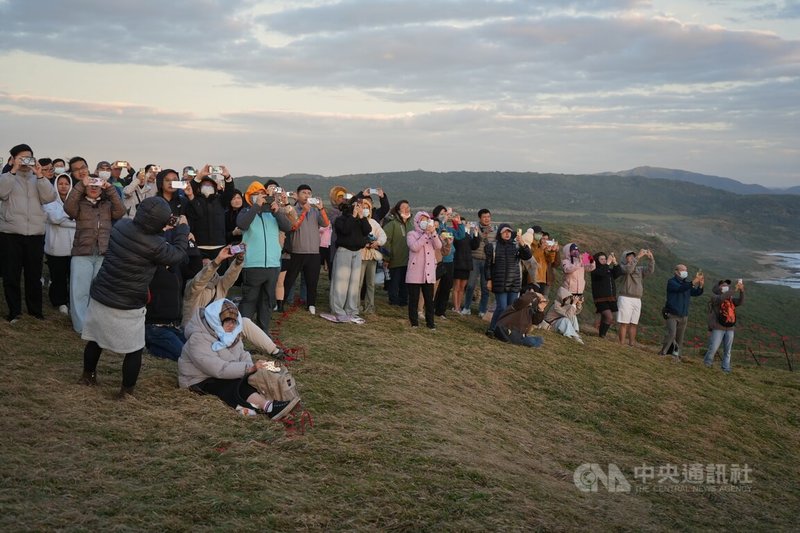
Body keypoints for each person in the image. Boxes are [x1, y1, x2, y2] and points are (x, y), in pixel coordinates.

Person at [78, 196, 189, 398]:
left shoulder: (122, 226)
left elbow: (145, 238)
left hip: (102, 293)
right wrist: (182, 229)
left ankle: (87, 375)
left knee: (95, 339)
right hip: (128, 303)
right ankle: (126, 391)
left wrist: (159, 229)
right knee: (134, 349)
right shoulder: (156, 245)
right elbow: (177, 254)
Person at [178, 299, 298, 420]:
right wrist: (248, 369)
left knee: (251, 378)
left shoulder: (231, 332)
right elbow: (217, 369)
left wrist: (252, 370)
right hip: (199, 379)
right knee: (233, 384)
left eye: (234, 322)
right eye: (227, 322)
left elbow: (242, 353)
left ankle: (271, 400)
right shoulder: (198, 339)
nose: (232, 326)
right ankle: (268, 407)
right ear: (215, 321)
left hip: (225, 371)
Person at [183, 244, 287, 360]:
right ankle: (233, 350)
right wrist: (216, 261)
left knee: (245, 322)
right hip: (199, 334)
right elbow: (200, 280)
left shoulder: (219, 285)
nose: (210, 268)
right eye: (205, 266)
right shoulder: (192, 288)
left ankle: (275, 351)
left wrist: (239, 260)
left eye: (210, 264)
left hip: (219, 331)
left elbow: (230, 277)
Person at [64, 169, 126, 333]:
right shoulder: (79, 204)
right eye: (90, 183)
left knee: (98, 292)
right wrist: (79, 185)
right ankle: (81, 326)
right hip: (82, 252)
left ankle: (95, 324)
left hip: (103, 253)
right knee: (79, 291)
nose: (93, 187)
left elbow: (121, 211)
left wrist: (110, 188)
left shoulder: (107, 205)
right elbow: (68, 209)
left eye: (97, 183)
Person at [0, 143, 57, 322]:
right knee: (11, 274)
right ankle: (14, 311)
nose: (26, 161)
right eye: (21, 157)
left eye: (29, 157)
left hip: (35, 233)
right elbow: (1, 193)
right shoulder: (7, 177)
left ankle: (35, 311)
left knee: (34, 275)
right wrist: (14, 169)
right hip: (11, 232)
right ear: (14, 158)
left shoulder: (38, 179)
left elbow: (49, 197)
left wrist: (40, 175)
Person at [237, 182, 293, 333]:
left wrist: (277, 211)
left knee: (267, 301)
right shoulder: (246, 212)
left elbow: (288, 227)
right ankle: (242, 332)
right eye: (256, 195)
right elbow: (242, 224)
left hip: (273, 265)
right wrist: (256, 207)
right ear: (249, 198)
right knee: (249, 300)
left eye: (262, 195)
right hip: (253, 265)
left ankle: (263, 332)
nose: (260, 198)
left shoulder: (272, 214)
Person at [283, 184, 329, 315]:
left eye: (309, 193)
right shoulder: (292, 210)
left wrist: (321, 209)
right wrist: (303, 211)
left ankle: (311, 304)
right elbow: (294, 226)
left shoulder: (315, 211)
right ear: (297, 195)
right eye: (304, 192)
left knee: (312, 281)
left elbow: (326, 223)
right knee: (290, 279)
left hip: (314, 252)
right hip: (297, 251)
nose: (307, 195)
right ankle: (281, 302)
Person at [328, 197, 372, 323]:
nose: (359, 208)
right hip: (344, 251)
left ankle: (352, 310)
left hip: (357, 252)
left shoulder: (361, 220)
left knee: (354, 283)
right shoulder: (341, 219)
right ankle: (338, 310)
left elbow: (367, 230)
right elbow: (345, 230)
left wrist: (362, 217)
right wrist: (353, 216)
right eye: (357, 206)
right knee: (341, 282)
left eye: (361, 206)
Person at [485, 224, 533, 336]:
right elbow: (487, 265)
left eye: (509, 232)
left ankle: (504, 330)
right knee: (501, 306)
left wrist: (522, 243)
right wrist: (489, 279)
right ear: (500, 233)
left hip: (514, 282)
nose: (507, 234)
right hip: (499, 281)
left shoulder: (516, 246)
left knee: (511, 308)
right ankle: (492, 328)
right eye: (504, 232)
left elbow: (528, 256)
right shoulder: (493, 246)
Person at [43, 173, 76, 314]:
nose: (63, 186)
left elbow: (80, 222)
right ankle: (59, 301)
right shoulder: (49, 201)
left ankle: (71, 301)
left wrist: (65, 218)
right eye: (60, 183)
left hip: (74, 247)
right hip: (55, 247)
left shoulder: (76, 201)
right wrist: (70, 216)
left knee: (73, 276)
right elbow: (54, 219)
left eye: (66, 183)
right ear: (56, 185)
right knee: (58, 277)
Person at [186, 164, 235, 260]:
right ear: (199, 188)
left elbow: (229, 192)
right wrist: (199, 176)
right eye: (204, 184)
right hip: (199, 246)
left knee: (220, 274)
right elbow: (190, 189)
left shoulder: (221, 200)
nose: (207, 186)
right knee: (200, 275)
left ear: (215, 188)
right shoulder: (194, 200)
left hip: (219, 246)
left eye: (210, 185)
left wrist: (227, 177)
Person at [658, 265, 704, 358]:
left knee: (679, 337)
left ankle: (676, 355)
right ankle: (663, 353)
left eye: (686, 270)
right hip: (672, 314)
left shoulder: (686, 284)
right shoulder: (671, 282)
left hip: (684, 315)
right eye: (682, 270)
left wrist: (701, 285)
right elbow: (680, 289)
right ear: (676, 271)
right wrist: (693, 282)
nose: (685, 272)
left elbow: (696, 293)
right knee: (671, 334)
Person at [406, 211, 442, 329]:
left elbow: (438, 246)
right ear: (417, 221)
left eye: (426, 220)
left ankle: (430, 323)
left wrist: (433, 232)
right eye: (422, 220)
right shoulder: (411, 234)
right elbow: (414, 247)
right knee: (414, 299)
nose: (424, 222)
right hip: (415, 272)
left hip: (428, 273)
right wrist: (425, 235)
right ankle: (414, 322)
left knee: (429, 300)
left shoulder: (432, 234)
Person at [703, 279, 745, 373]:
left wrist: (741, 291)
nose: (726, 287)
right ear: (718, 288)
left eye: (727, 285)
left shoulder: (730, 300)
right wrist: (735, 289)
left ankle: (726, 368)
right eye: (723, 285)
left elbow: (741, 302)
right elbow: (722, 298)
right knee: (713, 348)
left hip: (730, 328)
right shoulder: (715, 297)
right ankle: (707, 364)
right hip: (718, 327)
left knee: (728, 350)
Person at [616, 249, 655, 347]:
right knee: (624, 322)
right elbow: (629, 269)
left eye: (633, 255)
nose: (632, 257)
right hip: (625, 298)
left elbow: (650, 271)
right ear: (625, 258)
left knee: (634, 323)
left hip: (637, 299)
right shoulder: (622, 267)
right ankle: (621, 343)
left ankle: (631, 344)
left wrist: (651, 259)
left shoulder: (639, 269)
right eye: (629, 256)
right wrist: (638, 257)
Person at [432, 206, 464, 319]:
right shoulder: (435, 226)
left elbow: (460, 235)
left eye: (446, 213)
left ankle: (441, 311)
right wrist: (442, 221)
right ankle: (431, 307)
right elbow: (437, 234)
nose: (445, 215)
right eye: (442, 213)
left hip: (449, 260)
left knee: (446, 286)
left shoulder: (449, 229)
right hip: (438, 260)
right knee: (435, 286)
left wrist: (459, 223)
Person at [462, 208, 495, 316]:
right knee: (470, 285)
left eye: (488, 217)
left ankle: (482, 310)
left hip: (487, 261)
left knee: (485, 287)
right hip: (474, 259)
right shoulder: (473, 229)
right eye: (484, 217)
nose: (487, 219)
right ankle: (466, 307)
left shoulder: (494, 230)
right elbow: (471, 243)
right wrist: (482, 235)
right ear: (480, 218)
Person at [358, 196, 387, 315]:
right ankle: (356, 305)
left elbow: (383, 235)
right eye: (363, 207)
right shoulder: (356, 221)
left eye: (367, 208)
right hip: (359, 256)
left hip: (371, 257)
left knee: (370, 283)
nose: (365, 210)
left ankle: (370, 306)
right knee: (358, 283)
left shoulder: (373, 222)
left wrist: (377, 242)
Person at [382, 200, 413, 307]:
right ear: (398, 210)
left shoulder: (411, 224)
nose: (406, 209)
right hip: (395, 259)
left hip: (408, 260)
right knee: (394, 282)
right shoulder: (392, 223)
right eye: (404, 207)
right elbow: (385, 241)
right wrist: (386, 257)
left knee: (405, 282)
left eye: (408, 207)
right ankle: (394, 301)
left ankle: (404, 301)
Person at [451, 218, 480, 315]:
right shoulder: (456, 234)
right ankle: (455, 307)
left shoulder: (469, 236)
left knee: (462, 288)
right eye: (462, 223)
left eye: (465, 223)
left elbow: (474, 246)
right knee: (456, 287)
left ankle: (459, 306)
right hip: (457, 262)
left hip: (467, 264)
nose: (464, 224)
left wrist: (476, 234)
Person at [590, 251, 622, 338]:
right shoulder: (594, 270)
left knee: (605, 317)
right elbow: (601, 273)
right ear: (597, 260)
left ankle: (601, 335)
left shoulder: (607, 269)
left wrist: (615, 262)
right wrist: (608, 263)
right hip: (600, 298)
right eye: (602, 259)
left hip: (610, 298)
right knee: (609, 317)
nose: (604, 260)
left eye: (605, 259)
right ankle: (602, 335)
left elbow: (618, 273)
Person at [530, 225, 559, 297]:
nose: (545, 241)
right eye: (543, 238)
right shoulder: (532, 245)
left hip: (543, 278)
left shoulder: (544, 247)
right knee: (534, 300)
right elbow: (532, 258)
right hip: (534, 278)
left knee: (541, 301)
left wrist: (553, 251)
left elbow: (551, 260)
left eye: (540, 234)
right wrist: (541, 249)